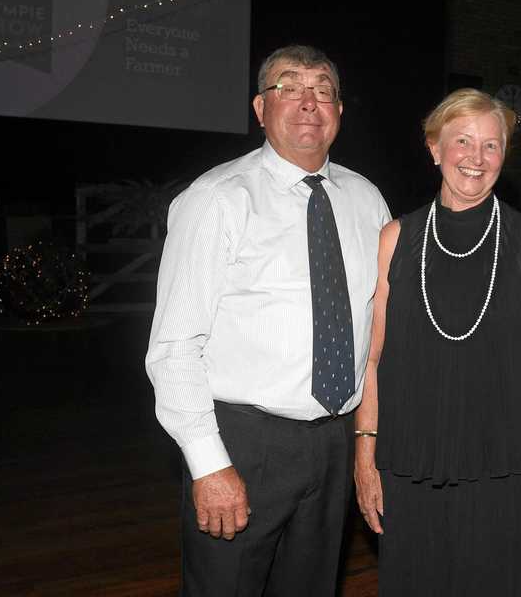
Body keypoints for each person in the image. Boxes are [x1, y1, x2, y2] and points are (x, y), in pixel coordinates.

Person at [145, 45, 391, 595]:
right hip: (243, 441)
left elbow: (377, 333)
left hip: (334, 441)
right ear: (261, 108)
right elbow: (175, 345)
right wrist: (209, 464)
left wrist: (369, 445)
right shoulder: (217, 199)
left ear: (339, 111)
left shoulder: (367, 199)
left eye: (322, 89)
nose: (308, 101)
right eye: (289, 87)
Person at [352, 89, 521, 594]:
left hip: (499, 465)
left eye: (491, 145)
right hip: (407, 463)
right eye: (463, 141)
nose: (476, 157)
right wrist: (365, 459)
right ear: (433, 148)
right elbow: (374, 358)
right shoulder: (396, 238)